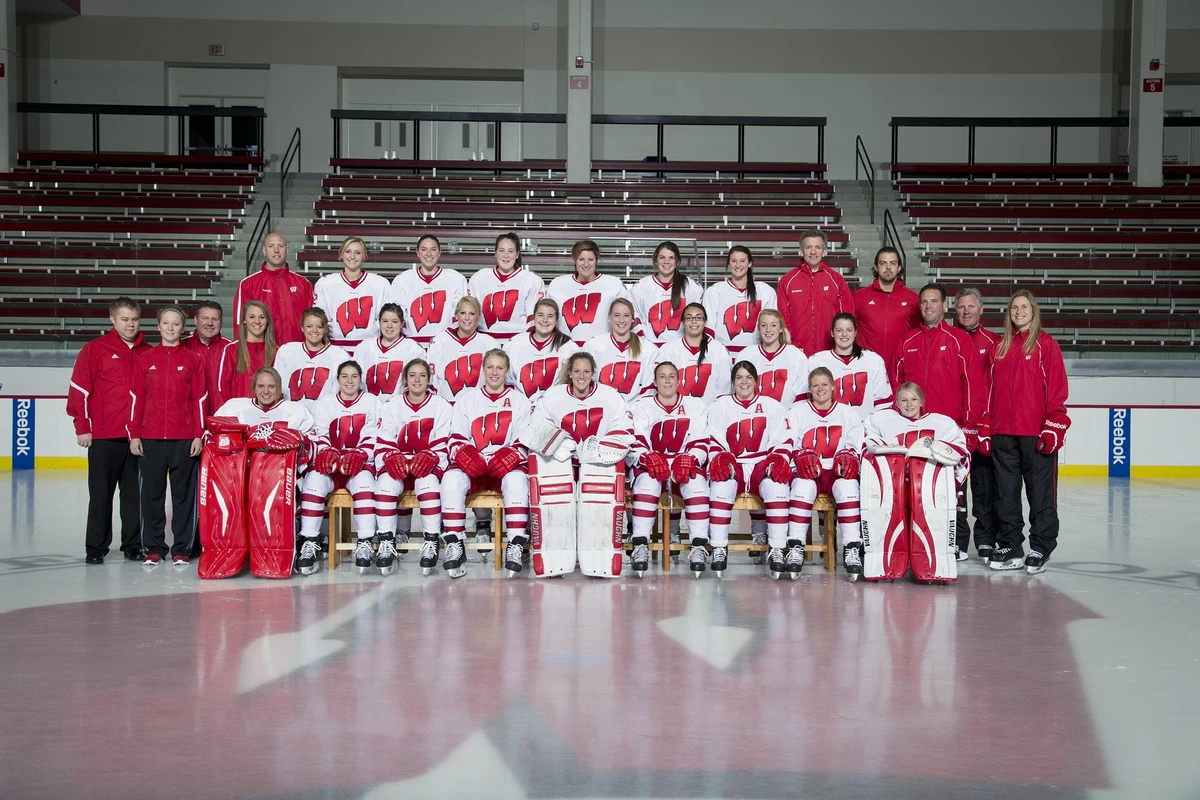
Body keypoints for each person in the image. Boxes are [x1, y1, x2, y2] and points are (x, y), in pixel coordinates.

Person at [894, 283, 985, 558]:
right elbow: (896, 387)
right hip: (914, 428)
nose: (928, 306)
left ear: (945, 306)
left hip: (948, 430)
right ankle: (914, 539)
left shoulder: (959, 340)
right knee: (915, 486)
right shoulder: (907, 342)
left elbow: (972, 385)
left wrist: (968, 426)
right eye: (924, 302)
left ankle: (956, 541)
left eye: (934, 301)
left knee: (953, 488)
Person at [983, 290, 1069, 575]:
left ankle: (1041, 546)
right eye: (1014, 307)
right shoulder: (1000, 347)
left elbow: (1056, 391)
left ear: (1033, 311)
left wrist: (1054, 425)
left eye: (1024, 307)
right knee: (1005, 494)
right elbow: (989, 391)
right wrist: (986, 425)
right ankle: (1010, 544)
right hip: (1003, 432)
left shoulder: (1046, 345)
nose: (1018, 311)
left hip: (1035, 433)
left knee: (1040, 493)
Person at [67, 297, 152, 564]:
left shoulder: (147, 352)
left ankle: (133, 544)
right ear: (112, 320)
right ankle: (95, 547)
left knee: (134, 496)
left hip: (136, 438)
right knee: (101, 494)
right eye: (125, 319)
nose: (130, 325)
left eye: (135, 319)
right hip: (104, 436)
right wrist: (83, 427)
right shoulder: (95, 349)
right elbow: (79, 390)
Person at [209, 367, 315, 577]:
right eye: (261, 386)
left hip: (278, 479)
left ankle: (279, 552)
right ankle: (233, 552)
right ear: (253, 388)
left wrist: (301, 442)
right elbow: (212, 437)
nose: (266, 391)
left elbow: (313, 445)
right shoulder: (234, 408)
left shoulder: (295, 410)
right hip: (240, 477)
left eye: (271, 386)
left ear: (279, 388)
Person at [441, 349, 532, 578]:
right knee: (451, 480)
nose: (494, 372)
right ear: (482, 370)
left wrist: (512, 454)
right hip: (476, 464)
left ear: (507, 371)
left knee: (518, 482)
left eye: (499, 368)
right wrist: (465, 453)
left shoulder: (520, 401)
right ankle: (455, 544)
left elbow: (525, 439)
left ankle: (515, 543)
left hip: (505, 466)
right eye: (490, 367)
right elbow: (456, 436)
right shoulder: (467, 400)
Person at [127, 307, 206, 568]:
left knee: (183, 498)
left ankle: (182, 548)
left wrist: (198, 434)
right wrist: (134, 434)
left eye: (175, 324)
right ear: (158, 327)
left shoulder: (194, 360)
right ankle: (154, 547)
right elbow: (137, 399)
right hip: (150, 440)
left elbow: (199, 400)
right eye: (165, 323)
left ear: (183, 328)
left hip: (184, 439)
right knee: (152, 497)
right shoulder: (144, 359)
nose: (170, 328)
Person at [705, 361, 794, 578]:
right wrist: (720, 458)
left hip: (761, 462)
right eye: (739, 378)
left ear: (756, 381)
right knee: (721, 485)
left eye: (748, 377)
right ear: (733, 382)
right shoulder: (720, 406)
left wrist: (776, 459)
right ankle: (718, 547)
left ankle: (777, 548)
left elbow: (782, 439)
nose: (744, 382)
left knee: (777, 486)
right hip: (734, 461)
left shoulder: (772, 406)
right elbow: (713, 438)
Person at [627, 362, 713, 577]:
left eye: (672, 376)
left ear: (679, 381)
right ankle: (640, 544)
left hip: (681, 462)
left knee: (697, 484)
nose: (667, 380)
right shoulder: (641, 406)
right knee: (647, 482)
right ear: (654, 382)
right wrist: (646, 457)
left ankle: (698, 546)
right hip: (652, 463)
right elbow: (636, 442)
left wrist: (691, 458)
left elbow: (701, 441)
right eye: (662, 376)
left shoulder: (695, 405)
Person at [299, 360, 383, 576]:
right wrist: (328, 453)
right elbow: (318, 432)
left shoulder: (373, 402)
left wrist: (361, 453)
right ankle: (309, 541)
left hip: (360, 464)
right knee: (314, 482)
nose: (349, 381)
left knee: (365, 483)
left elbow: (376, 433)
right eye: (344, 376)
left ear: (360, 379)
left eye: (354, 376)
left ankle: (364, 541)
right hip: (333, 464)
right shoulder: (325, 403)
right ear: (337, 380)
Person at [785, 367, 865, 579]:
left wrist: (848, 456)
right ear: (809, 389)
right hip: (808, 471)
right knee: (802, 486)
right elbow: (786, 443)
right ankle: (796, 546)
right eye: (815, 385)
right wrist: (800, 455)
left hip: (835, 471)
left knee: (848, 486)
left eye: (824, 384)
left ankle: (851, 547)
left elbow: (857, 445)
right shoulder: (797, 412)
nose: (820, 388)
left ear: (832, 386)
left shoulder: (848, 413)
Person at [374, 358, 452, 574]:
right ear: (405, 379)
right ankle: (386, 542)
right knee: (384, 486)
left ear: (429, 379)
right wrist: (391, 456)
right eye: (412, 375)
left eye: (422, 375)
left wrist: (431, 456)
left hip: (427, 463)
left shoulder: (441, 405)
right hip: (399, 461)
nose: (417, 380)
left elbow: (444, 440)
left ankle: (432, 540)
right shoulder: (392, 405)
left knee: (428, 485)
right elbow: (384, 439)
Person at [954, 287, 1001, 561]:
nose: (967, 311)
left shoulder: (995, 343)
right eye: (961, 307)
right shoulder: (949, 339)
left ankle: (985, 538)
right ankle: (959, 540)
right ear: (955, 310)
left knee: (984, 487)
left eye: (971, 307)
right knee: (955, 490)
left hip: (983, 426)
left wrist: (987, 423)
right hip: (955, 428)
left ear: (981, 309)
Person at [776, 229, 853, 355]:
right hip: (797, 351)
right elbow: (782, 317)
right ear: (801, 251)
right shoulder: (787, 280)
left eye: (817, 247)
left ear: (824, 251)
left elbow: (847, 315)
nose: (813, 252)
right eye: (808, 247)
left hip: (829, 351)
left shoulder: (836, 279)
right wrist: (790, 346)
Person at [807, 313, 893, 421]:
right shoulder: (817, 361)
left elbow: (883, 402)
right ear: (832, 333)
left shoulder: (873, 360)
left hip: (865, 428)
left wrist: (871, 427)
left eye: (849, 330)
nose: (844, 334)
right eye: (839, 330)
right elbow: (809, 401)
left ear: (855, 332)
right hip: (830, 426)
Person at [546, 239, 634, 345]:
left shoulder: (613, 284)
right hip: (564, 347)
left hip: (602, 348)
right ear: (574, 260)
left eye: (591, 259)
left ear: (596, 260)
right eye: (581, 259)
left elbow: (629, 317)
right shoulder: (557, 284)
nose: (586, 264)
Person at [387, 234, 468, 348]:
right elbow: (397, 318)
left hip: (445, 346)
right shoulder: (403, 280)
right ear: (417, 252)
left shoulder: (455, 279)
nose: (428, 254)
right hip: (411, 346)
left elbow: (461, 317)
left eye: (433, 249)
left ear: (439, 252)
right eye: (424, 249)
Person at [233, 232, 313, 345]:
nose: (276, 250)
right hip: (264, 351)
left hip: (296, 351)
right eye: (271, 246)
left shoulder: (303, 283)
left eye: (280, 246)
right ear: (264, 250)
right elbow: (239, 323)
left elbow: (313, 319)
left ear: (287, 250)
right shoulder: (248, 284)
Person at [313, 236, 392, 349]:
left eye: (358, 252)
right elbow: (321, 320)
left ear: (364, 256)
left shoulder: (380, 284)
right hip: (336, 348)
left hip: (370, 348)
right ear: (341, 254)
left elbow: (386, 320)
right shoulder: (325, 284)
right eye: (348, 251)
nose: (352, 256)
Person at [467, 232, 546, 343]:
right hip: (485, 342)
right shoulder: (479, 278)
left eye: (511, 251)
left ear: (517, 254)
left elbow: (533, 320)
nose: (506, 255)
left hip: (518, 343)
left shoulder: (532, 280)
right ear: (495, 253)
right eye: (501, 250)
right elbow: (469, 314)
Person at [852, 246, 920, 374]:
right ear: (876, 267)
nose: (888, 267)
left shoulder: (913, 299)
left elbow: (917, 333)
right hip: (866, 367)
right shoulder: (859, 297)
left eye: (893, 263)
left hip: (900, 366)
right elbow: (850, 330)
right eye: (883, 263)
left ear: (899, 267)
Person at [651, 303, 732, 404]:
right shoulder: (668, 349)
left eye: (698, 318)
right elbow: (660, 385)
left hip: (708, 414)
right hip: (677, 413)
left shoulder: (719, 350)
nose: (694, 321)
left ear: (705, 322)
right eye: (689, 318)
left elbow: (723, 391)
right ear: (682, 322)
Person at [272, 307, 351, 410]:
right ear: (302, 328)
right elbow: (278, 388)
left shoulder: (339, 355)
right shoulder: (286, 351)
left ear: (325, 329)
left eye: (319, 326)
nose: (314, 330)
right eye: (309, 326)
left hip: (325, 416)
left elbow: (340, 393)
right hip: (293, 415)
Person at [702, 246, 778, 352]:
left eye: (742, 261)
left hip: (755, 354)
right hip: (724, 354)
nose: (738, 265)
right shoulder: (715, 291)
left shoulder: (765, 291)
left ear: (750, 263)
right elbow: (708, 329)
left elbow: (773, 326)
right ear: (729, 264)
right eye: (733, 261)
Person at [582, 297, 659, 402]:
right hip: (601, 408)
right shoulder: (593, 346)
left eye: (626, 315)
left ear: (633, 319)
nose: (621, 320)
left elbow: (648, 392)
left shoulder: (649, 350)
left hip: (634, 412)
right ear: (609, 317)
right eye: (616, 315)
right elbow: (586, 384)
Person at [426, 296, 501, 402]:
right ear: (456, 315)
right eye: (462, 313)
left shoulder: (490, 344)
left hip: (479, 407)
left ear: (479, 316)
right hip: (447, 405)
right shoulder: (439, 342)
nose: (467, 318)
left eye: (472, 313)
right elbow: (432, 381)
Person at [630, 240, 704, 344]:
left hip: (680, 350)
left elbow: (698, 320)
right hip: (650, 349)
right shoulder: (641, 287)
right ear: (655, 260)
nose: (666, 261)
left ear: (677, 261)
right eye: (662, 257)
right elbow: (634, 318)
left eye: (671, 258)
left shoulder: (691, 287)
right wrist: (644, 344)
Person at [504, 298, 575, 403]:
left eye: (550, 316)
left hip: (552, 406)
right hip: (520, 406)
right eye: (540, 315)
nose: (545, 320)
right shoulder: (514, 343)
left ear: (556, 320)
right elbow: (506, 379)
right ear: (533, 317)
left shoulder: (567, 346)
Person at [353, 303, 425, 400]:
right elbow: (355, 382)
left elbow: (417, 385)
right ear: (379, 323)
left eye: (394, 321)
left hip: (399, 410)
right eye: (385, 321)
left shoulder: (413, 349)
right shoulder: (364, 347)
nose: (389, 326)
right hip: (369, 408)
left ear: (402, 324)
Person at [215, 300, 278, 409]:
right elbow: (222, 388)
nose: (257, 321)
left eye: (262, 317)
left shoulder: (277, 351)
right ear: (244, 320)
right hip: (240, 414)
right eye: (252, 317)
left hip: (268, 415)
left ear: (267, 321)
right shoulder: (231, 350)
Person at [740, 309, 808, 409]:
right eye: (763, 325)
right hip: (754, 417)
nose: (768, 330)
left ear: (781, 328)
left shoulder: (796, 355)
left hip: (786, 416)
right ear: (758, 328)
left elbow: (801, 394)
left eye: (773, 325)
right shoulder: (746, 354)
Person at [181, 300, 230, 416]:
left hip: (222, 415)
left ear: (221, 322)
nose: (210, 323)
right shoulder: (182, 346)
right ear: (195, 320)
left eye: (215, 319)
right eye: (205, 318)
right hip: (190, 415)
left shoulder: (230, 348)